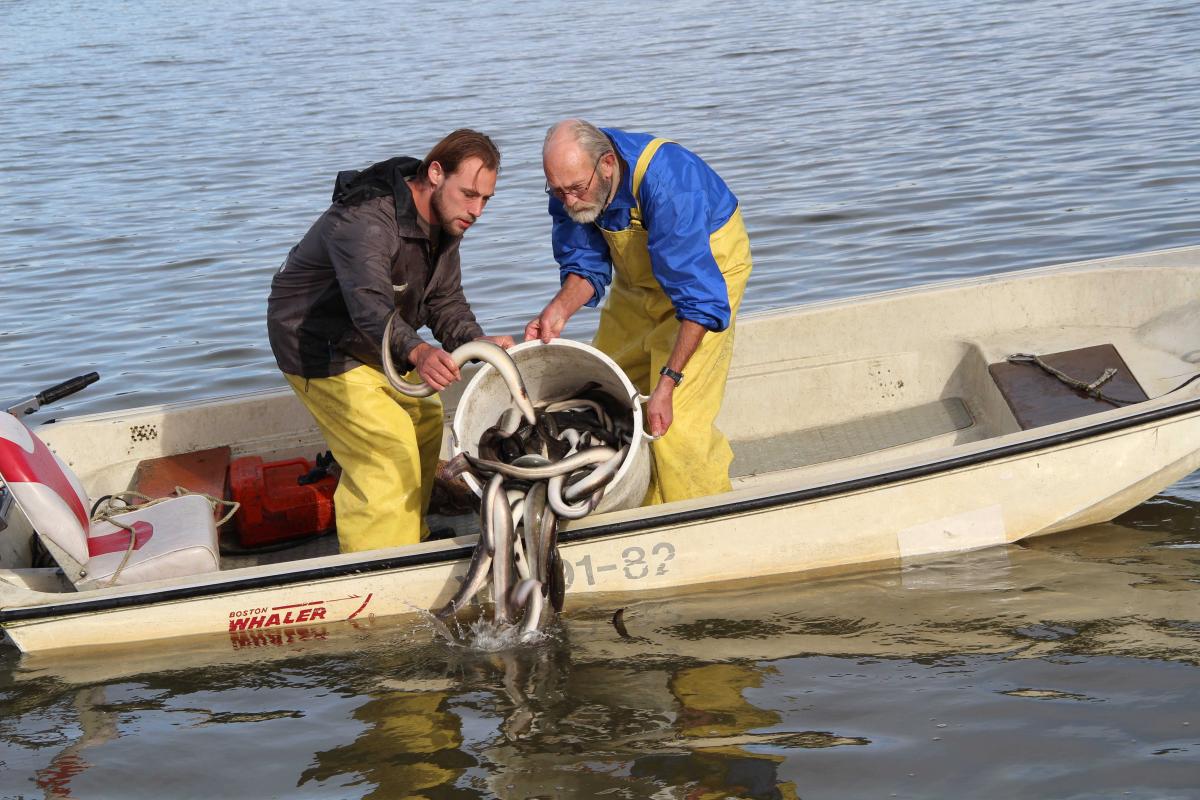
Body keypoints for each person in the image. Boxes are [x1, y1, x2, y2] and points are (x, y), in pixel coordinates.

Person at [267, 129, 513, 553]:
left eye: (485, 199)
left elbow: (444, 300)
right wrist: (418, 350)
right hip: (316, 342)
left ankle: (409, 538)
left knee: (426, 418)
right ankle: (374, 565)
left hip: (373, 341)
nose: (476, 211)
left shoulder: (445, 218)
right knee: (386, 448)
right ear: (436, 173)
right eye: (470, 194)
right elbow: (369, 306)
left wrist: (478, 342)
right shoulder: (365, 218)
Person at [525, 120, 752, 504]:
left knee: (673, 424)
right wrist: (558, 311)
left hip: (705, 282)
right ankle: (642, 508)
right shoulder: (570, 184)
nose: (568, 201)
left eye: (576, 190)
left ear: (608, 164)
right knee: (606, 395)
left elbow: (698, 299)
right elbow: (586, 263)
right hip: (637, 287)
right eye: (557, 192)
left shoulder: (670, 186)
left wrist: (668, 381)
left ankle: (705, 514)